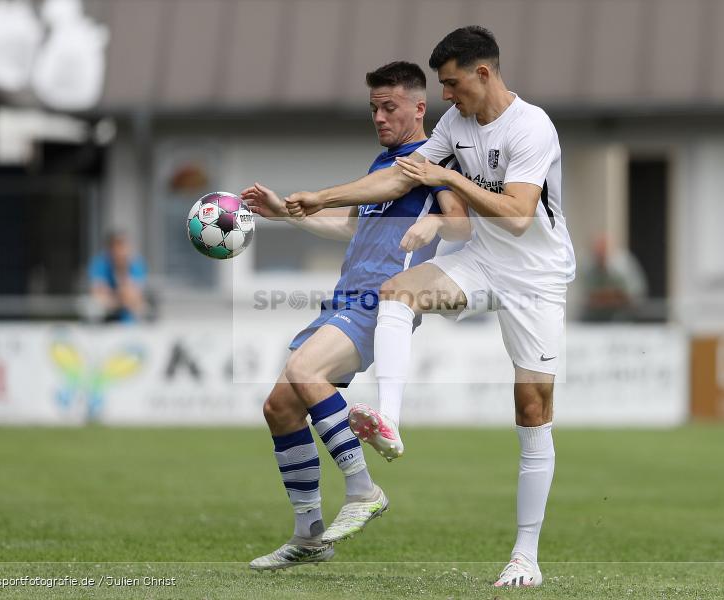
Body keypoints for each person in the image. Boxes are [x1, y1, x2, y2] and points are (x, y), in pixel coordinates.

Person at [285, 26, 576, 587]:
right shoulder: (455, 125)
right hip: (484, 262)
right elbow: (397, 177)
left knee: (533, 410)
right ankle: (389, 420)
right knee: (397, 292)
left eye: (452, 83)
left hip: (536, 279)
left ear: (483, 73)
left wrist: (446, 178)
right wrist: (323, 197)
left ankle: (525, 555)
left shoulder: (531, 126)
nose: (447, 95)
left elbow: (516, 215)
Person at [239, 61, 469, 570]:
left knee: (304, 372)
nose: (380, 118)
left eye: (390, 108)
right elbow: (351, 227)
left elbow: (459, 222)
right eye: (373, 109)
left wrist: (434, 221)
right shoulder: (382, 166)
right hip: (343, 301)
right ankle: (309, 536)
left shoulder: (434, 161)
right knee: (279, 409)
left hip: (380, 305)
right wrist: (285, 213)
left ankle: (364, 489)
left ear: (419, 107)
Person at [581, 235, 647, 321]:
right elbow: (586, 297)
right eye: (598, 254)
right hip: (595, 318)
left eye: (603, 253)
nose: (600, 256)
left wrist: (609, 297)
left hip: (623, 316)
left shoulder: (624, 266)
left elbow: (635, 295)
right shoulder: (588, 268)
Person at [88, 232, 148, 323]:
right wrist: (122, 299)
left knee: (142, 307)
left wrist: (122, 271)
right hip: (104, 321)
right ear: (109, 249)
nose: (119, 252)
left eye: (122, 247)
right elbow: (100, 295)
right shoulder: (99, 264)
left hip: (130, 321)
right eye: (115, 247)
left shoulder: (136, 264)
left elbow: (134, 296)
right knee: (94, 306)